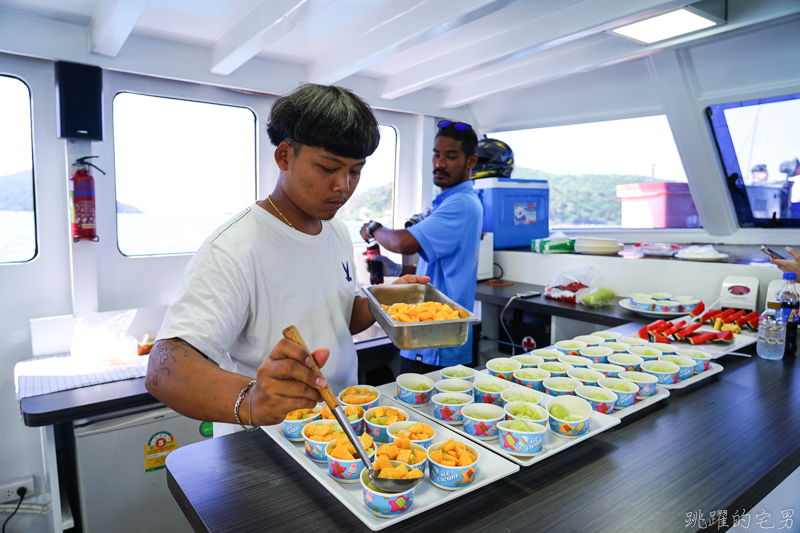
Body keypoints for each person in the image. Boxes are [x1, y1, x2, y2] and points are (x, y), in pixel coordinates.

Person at [146, 84, 429, 436]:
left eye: (355, 171)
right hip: (269, 443)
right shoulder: (234, 248)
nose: (343, 186)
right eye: (328, 168)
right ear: (284, 157)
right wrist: (252, 399)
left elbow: (335, 321)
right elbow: (163, 368)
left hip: (340, 430)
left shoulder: (336, 230)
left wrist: (384, 302)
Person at [359, 120, 482, 373]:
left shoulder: (461, 204)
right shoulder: (447, 202)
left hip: (436, 343)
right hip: (427, 337)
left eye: (450, 156)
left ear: (471, 161)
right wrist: (394, 270)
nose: (439, 164)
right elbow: (433, 268)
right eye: (436, 155)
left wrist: (373, 229)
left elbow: (403, 242)